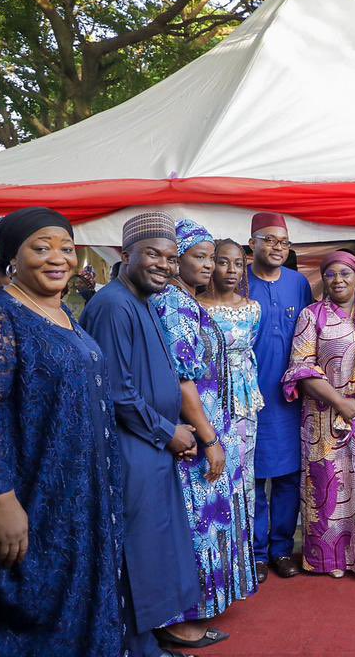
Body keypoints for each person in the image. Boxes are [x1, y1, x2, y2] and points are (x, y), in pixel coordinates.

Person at [0, 208, 123, 656]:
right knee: (30, 613)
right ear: (10, 257)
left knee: (78, 605)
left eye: (65, 247)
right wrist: (0, 500)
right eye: (41, 248)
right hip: (32, 499)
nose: (57, 257)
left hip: (78, 501)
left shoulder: (62, 314)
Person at [81, 212, 202, 657]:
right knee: (136, 549)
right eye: (154, 255)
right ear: (126, 254)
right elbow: (118, 390)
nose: (165, 266)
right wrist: (167, 431)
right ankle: (135, 646)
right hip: (134, 446)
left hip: (151, 443)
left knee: (153, 545)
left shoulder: (140, 300)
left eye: (172, 259)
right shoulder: (114, 305)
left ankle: (145, 638)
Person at [151, 220, 255, 640]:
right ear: (176, 262)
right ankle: (183, 620)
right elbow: (182, 381)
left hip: (208, 427)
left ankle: (198, 609)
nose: (210, 266)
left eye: (211, 258)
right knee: (194, 524)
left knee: (207, 519)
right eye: (200, 256)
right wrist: (210, 439)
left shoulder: (187, 302)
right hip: (195, 436)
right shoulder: (172, 306)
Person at [282, 250, 355, 578]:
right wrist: (339, 402)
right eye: (331, 274)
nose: (338, 280)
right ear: (323, 278)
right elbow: (300, 367)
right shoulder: (311, 315)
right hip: (322, 418)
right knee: (328, 488)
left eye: (345, 274)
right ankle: (330, 558)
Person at [247, 213, 313, 581]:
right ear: (251, 243)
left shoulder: (298, 283)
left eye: (283, 242)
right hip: (247, 397)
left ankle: (282, 549)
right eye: (268, 240)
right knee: (253, 477)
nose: (276, 247)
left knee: (289, 476)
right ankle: (255, 553)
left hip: (289, 399)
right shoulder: (238, 282)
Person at [200, 239, 263, 531]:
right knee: (210, 470)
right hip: (208, 398)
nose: (232, 270)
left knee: (244, 472)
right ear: (212, 264)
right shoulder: (197, 308)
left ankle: (243, 548)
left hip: (244, 400)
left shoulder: (253, 309)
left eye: (238, 263)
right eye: (224, 262)